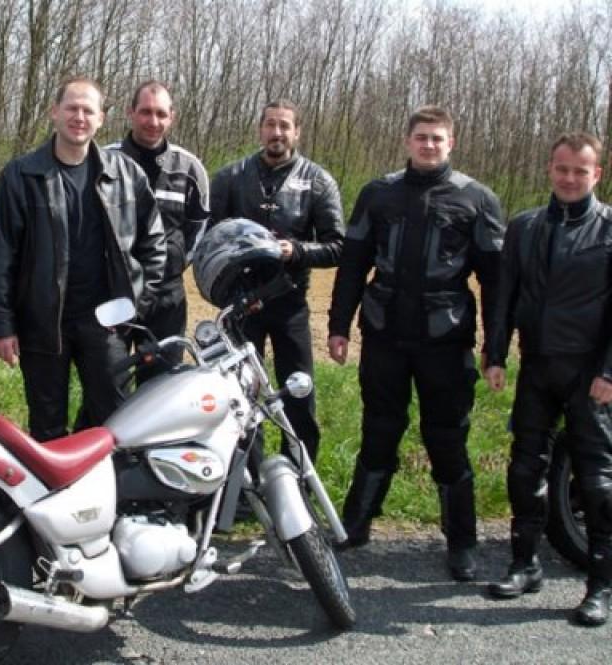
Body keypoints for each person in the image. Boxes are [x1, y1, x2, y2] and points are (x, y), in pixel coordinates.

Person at [327, 105, 504, 582]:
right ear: (407, 141)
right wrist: (338, 326)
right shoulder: (377, 194)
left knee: (447, 438)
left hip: (445, 340)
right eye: (421, 137)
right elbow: (352, 264)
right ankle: (356, 524)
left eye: (437, 138)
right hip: (384, 334)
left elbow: (496, 283)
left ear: (451, 143)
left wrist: (496, 349)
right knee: (378, 430)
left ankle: (462, 541)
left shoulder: (478, 199)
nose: (428, 145)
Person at [0, 77, 165, 442]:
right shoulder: (21, 175)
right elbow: (1, 255)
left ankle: (107, 481)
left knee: (115, 423)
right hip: (41, 323)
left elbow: (154, 244)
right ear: (54, 112)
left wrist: (136, 305)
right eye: (71, 108)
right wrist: (2, 325)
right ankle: (50, 479)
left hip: (106, 323)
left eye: (88, 110)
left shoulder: (125, 175)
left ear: (101, 118)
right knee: (47, 429)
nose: (79, 117)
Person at [484, 132, 612, 625]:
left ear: (596, 174)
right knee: (524, 470)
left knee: (597, 483)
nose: (570, 178)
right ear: (549, 170)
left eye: (580, 170)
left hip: (589, 372)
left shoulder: (608, 227)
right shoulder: (525, 225)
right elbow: (505, 295)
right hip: (537, 366)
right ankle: (525, 565)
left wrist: (608, 372)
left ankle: (600, 585)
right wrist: (496, 355)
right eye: (562, 169)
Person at [210, 100, 343, 464]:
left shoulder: (317, 181)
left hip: (290, 304)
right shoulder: (230, 177)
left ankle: (299, 478)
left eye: (285, 126)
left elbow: (337, 246)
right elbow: (210, 237)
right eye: (271, 124)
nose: (277, 132)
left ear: (297, 132)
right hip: (241, 305)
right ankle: (243, 482)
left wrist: (295, 250)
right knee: (240, 398)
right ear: (260, 129)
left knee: (299, 395)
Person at [106, 81, 208, 381]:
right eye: (145, 112)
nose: (153, 121)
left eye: (161, 114)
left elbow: (199, 227)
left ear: (172, 117)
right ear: (130, 113)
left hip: (167, 298)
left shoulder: (190, 168)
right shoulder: (103, 160)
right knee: (108, 384)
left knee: (161, 386)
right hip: (112, 293)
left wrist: (173, 264)